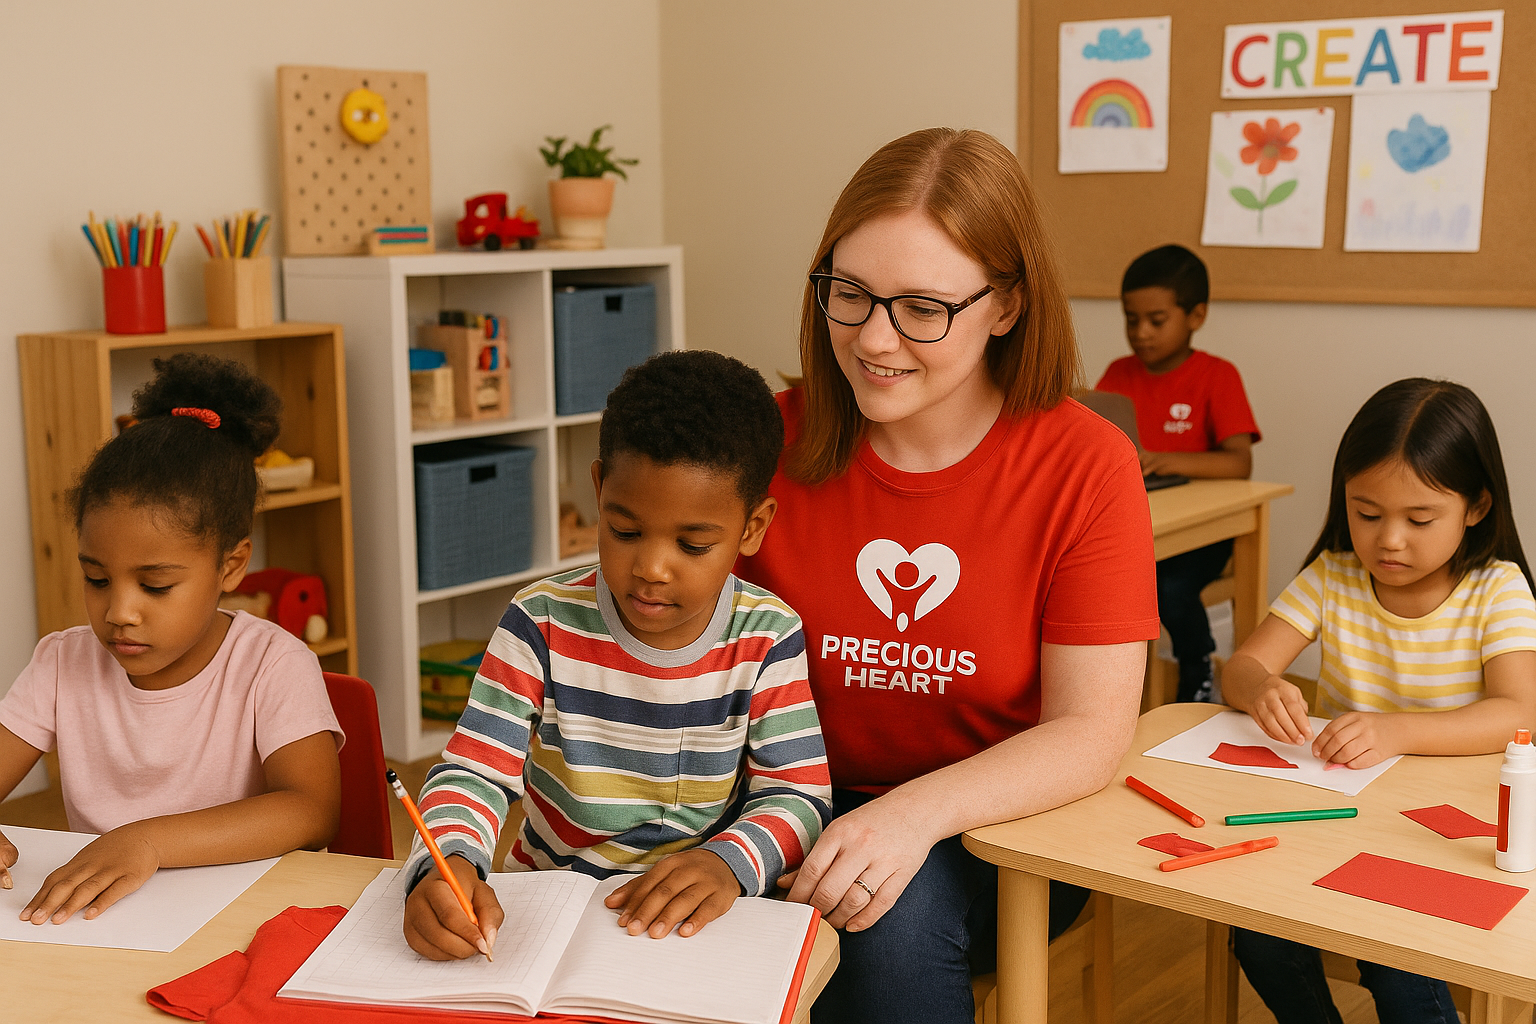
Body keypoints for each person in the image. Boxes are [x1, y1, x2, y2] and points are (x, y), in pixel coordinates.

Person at [738, 128, 1159, 1024]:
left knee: (888, 922)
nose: (873, 338)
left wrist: (908, 816)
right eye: (848, 294)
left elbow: (1091, 729)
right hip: (784, 799)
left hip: (992, 817)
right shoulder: (762, 441)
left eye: (922, 308)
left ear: (1006, 305)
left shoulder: (1087, 465)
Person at [403, 350, 832, 961]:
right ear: (600, 489)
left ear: (753, 527)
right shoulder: (539, 623)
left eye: (693, 544)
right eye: (625, 531)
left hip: (703, 923)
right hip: (547, 914)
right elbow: (474, 774)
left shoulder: (767, 635)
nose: (652, 569)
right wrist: (444, 862)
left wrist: (725, 863)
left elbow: (798, 795)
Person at [1223, 378, 1536, 1024]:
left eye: (1419, 519)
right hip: (1341, 822)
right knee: (1256, 934)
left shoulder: (1495, 589)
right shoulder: (1333, 576)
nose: (1389, 540)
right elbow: (1244, 666)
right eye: (1367, 514)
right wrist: (1262, 687)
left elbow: (1519, 711)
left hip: (1448, 838)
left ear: (1476, 507)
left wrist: (1395, 732)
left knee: (1398, 964)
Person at [0, 353, 343, 923]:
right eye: (96, 578)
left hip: (243, 918)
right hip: (109, 925)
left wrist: (149, 842)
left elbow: (310, 811)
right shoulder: (63, 662)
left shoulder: (273, 664)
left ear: (230, 567)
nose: (119, 612)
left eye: (155, 586)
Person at [1096, 244, 1262, 703]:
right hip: (1138, 523)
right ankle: (1111, 691)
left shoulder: (1217, 376)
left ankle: (1198, 670)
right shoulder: (1118, 373)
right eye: (1131, 320)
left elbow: (1238, 463)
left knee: (1168, 586)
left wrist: (1163, 459)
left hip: (1204, 535)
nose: (1141, 333)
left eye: (1156, 320)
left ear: (1196, 315)